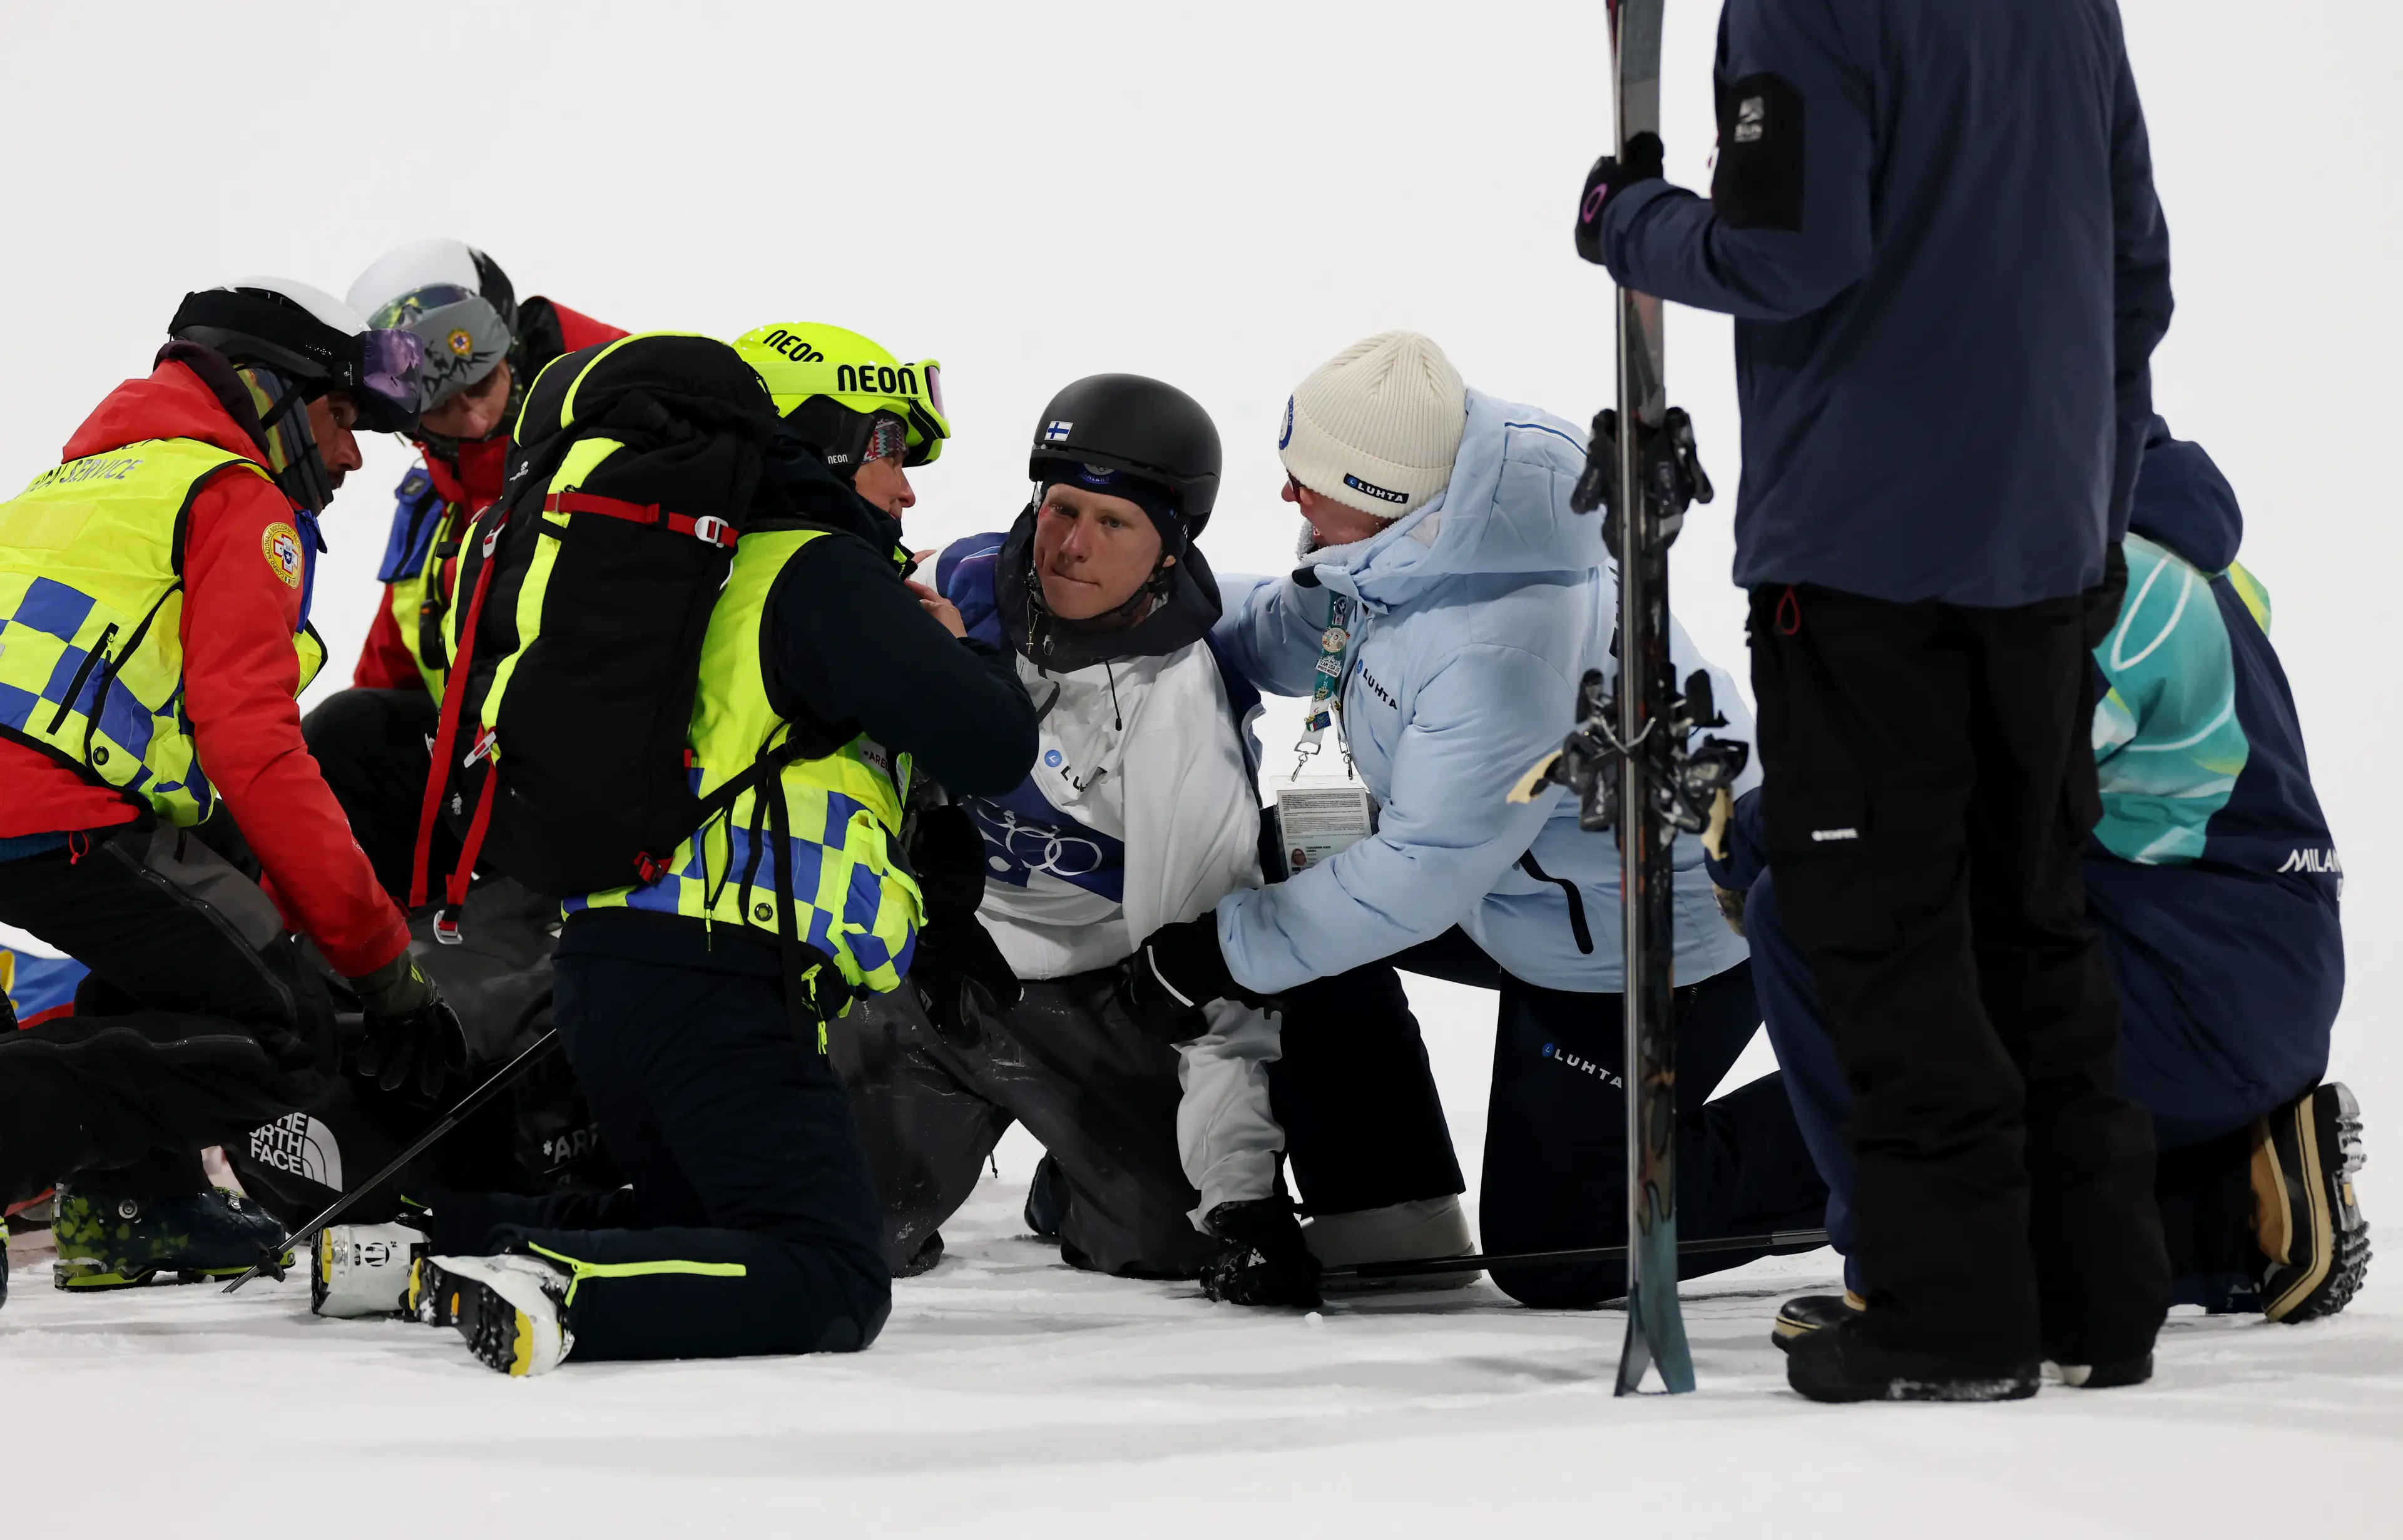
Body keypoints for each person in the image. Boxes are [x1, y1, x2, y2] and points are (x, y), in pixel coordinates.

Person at [1573, 1, 2175, 1399]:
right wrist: (2092, 521)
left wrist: (1632, 221)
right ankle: (2096, 1294)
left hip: (1863, 563)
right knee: (2030, 921)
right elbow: (2133, 279)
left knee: (1889, 939)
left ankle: (1954, 1314)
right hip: (2038, 551)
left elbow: (1791, 254)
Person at [1120, 330, 1827, 1308]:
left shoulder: (1508, 644)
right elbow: (1286, 630)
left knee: (1565, 1242)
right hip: (1532, 897)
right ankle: (1387, 1213)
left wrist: (1220, 954)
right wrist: (1122, 608)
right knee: (1295, 861)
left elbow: (1422, 869)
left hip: (1654, 944)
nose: (1286, 494)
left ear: (1377, 489)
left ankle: (1892, 1119)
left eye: (1306, 477)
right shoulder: (1409, 538)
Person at [402, 322, 1039, 1374]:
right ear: (824, 440)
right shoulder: (815, 571)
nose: (907, 488)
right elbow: (993, 741)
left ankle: (424, 1245)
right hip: (716, 983)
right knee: (831, 1271)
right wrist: (952, 645)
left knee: (695, 1216)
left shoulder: (688, 575)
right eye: (887, 447)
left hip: (610, 974)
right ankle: (551, 1288)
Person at [1724, 419, 2364, 1345]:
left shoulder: (2104, 590)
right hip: (2232, 972)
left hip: (2186, 996)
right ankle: (2241, 1210)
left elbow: (1919, 791)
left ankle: (1920, 1277)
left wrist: (1744, 839)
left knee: (1811, 912)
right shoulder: (2167, 552)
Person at [834, 374, 1464, 1307]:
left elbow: (1211, 994)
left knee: (1170, 1246)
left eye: (1114, 523)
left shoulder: (1180, 709)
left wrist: (1242, 1205)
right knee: (828, 1226)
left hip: (1102, 1001)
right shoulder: (948, 593)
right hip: (929, 980)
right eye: (1060, 508)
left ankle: (1075, 1169)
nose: (1071, 545)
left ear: (1170, 550)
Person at [0, 280, 463, 1294]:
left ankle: (143, 1205)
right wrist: (383, 968)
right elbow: (256, 753)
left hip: (40, 803)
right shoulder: (235, 496)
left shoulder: (75, 486)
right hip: (43, 809)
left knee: (188, 933)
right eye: (343, 418)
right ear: (267, 392)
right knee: (281, 1033)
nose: (349, 455)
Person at [303, 240, 625, 900]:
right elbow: (382, 683)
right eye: (443, 406)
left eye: (481, 384)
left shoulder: (620, 431)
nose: (473, 416)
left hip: (630, 758)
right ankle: (420, 953)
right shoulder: (432, 513)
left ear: (512, 353)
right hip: (497, 784)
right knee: (343, 732)